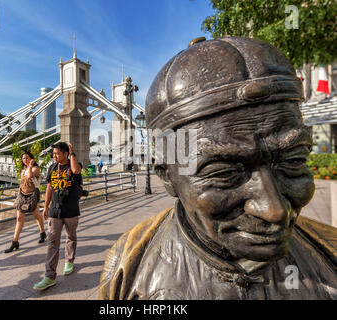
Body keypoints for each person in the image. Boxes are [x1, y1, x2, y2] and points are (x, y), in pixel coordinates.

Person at [99, 37, 337, 299]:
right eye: (224, 173)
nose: (275, 211)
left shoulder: (331, 251)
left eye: (292, 162)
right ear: (168, 177)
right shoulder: (126, 267)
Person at [33, 142, 81, 290]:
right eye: (53, 153)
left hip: (71, 209)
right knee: (53, 242)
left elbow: (76, 170)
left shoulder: (74, 163)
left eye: (57, 153)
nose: (54, 156)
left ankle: (69, 261)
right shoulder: (52, 167)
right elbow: (49, 187)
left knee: (71, 237)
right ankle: (49, 276)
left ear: (65, 154)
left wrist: (72, 152)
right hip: (55, 210)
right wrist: (45, 206)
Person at [4, 151, 46, 253]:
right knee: (19, 218)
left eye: (27, 158)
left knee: (36, 215)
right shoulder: (23, 170)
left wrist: (30, 166)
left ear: (31, 158)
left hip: (32, 196)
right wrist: (16, 199)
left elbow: (30, 177)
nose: (25, 160)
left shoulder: (35, 169)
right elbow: (21, 185)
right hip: (22, 195)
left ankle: (42, 232)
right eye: (23, 158)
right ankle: (15, 241)